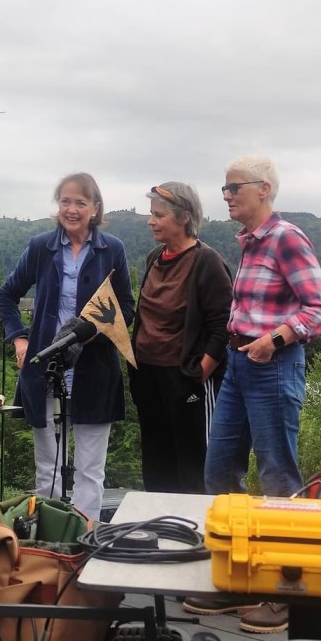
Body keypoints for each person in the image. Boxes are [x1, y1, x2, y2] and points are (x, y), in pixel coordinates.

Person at [184, 154, 321, 632]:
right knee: (220, 469)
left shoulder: (286, 238)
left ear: (264, 189)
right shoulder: (250, 242)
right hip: (239, 365)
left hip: (271, 365)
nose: (225, 196)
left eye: (234, 189)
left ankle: (288, 591)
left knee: (278, 478)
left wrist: (276, 339)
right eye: (224, 189)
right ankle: (240, 578)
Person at [0, 172, 135, 521]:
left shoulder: (112, 249)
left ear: (95, 208)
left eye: (80, 203)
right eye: (65, 201)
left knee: (90, 469)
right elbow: (6, 296)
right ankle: (49, 541)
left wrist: (88, 332)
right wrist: (20, 337)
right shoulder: (41, 246)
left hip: (95, 371)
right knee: (47, 469)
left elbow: (127, 308)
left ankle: (85, 540)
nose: (71, 210)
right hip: (45, 369)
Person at [128, 182, 232, 493]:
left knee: (192, 467)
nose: (151, 221)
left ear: (184, 217)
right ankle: (162, 533)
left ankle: (196, 536)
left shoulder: (206, 262)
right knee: (157, 465)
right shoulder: (154, 257)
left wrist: (199, 373)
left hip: (185, 379)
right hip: (148, 377)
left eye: (159, 215)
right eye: (151, 214)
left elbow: (223, 325)